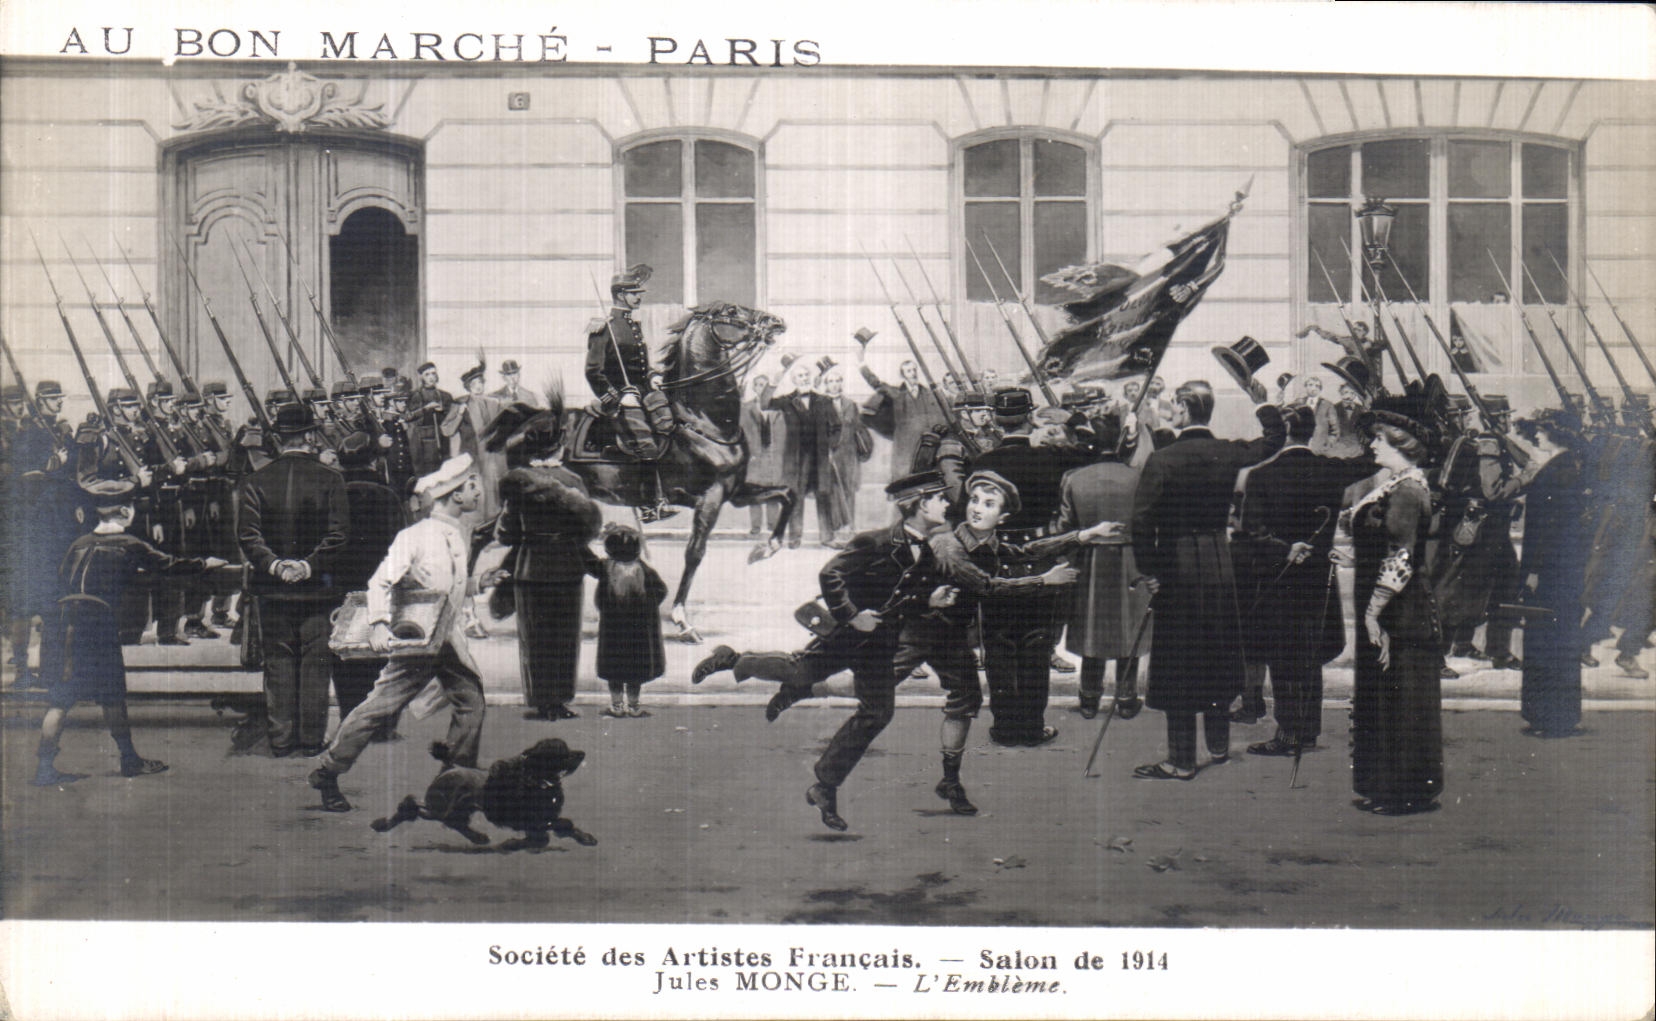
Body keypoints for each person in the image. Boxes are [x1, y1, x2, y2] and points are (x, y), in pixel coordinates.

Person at [690, 471, 958, 831]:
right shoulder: (874, 542)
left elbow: (904, 599)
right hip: (847, 634)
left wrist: (930, 600)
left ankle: (824, 786)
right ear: (921, 504)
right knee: (800, 672)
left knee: (877, 714)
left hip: (880, 645)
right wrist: (852, 615)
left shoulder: (924, 551)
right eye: (941, 498)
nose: (947, 505)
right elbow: (830, 575)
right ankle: (734, 659)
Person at [308, 456, 490, 813]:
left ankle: (455, 779)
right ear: (454, 495)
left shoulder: (456, 532)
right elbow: (380, 581)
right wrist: (378, 622)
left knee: (472, 702)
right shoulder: (414, 536)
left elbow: (442, 588)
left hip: (446, 640)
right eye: (471, 487)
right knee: (378, 710)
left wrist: (478, 583)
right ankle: (327, 772)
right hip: (416, 643)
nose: (478, 492)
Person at [1129, 380, 1286, 780]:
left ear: (1184, 408)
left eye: (1173, 405)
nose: (1170, 410)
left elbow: (1142, 522)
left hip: (1176, 565)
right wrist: (1263, 402)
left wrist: (1149, 571)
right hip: (1219, 561)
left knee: (1179, 657)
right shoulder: (1228, 451)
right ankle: (1217, 746)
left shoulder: (1164, 460)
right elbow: (1273, 440)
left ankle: (1180, 760)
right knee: (1217, 651)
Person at [33, 478, 227, 785]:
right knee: (112, 696)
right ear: (125, 511)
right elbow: (169, 565)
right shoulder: (130, 544)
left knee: (60, 700)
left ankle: (44, 767)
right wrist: (206, 563)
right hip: (96, 623)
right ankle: (129, 760)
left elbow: (61, 580)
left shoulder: (79, 543)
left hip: (62, 622)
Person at [1231, 404, 1376, 755]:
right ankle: (1307, 730)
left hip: (1278, 580)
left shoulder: (1262, 475)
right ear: (1313, 432)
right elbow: (1369, 461)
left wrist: (1284, 549)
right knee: (1309, 655)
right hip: (1318, 580)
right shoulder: (1330, 469)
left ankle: (1289, 733)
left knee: (1283, 656)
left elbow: (1252, 533)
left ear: (1284, 433)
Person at [969, 388, 1094, 746]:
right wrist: (1072, 419)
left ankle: (1005, 726)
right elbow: (1090, 450)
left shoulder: (983, 462)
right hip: (1040, 557)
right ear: (1030, 417)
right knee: (1036, 644)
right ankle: (1031, 725)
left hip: (996, 559)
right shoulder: (1050, 459)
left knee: (999, 644)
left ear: (995, 420)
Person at [1341, 400, 1445, 814]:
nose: (1372, 447)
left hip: (1398, 609)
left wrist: (1371, 612)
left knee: (1400, 696)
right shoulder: (1394, 483)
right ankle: (1384, 786)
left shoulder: (1406, 490)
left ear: (1401, 444)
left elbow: (1400, 557)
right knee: (1384, 695)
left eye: (1379, 441)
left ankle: (1405, 792)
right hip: (1388, 604)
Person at [236, 404, 350, 758]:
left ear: (279, 439)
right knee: (316, 664)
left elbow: (248, 536)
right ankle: (311, 740)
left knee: (278, 662)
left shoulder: (255, 481)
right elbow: (339, 536)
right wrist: (308, 566)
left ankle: (281, 740)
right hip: (317, 590)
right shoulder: (331, 479)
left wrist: (275, 566)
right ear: (311, 437)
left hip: (273, 590)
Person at [489, 401, 602, 722]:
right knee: (565, 637)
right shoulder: (573, 482)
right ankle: (560, 701)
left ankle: (540, 702)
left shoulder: (517, 482)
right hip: (567, 567)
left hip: (529, 568)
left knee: (533, 638)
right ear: (559, 448)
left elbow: (506, 533)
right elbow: (587, 531)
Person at [1057, 411, 1151, 720]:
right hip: (1130, 561)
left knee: (1091, 632)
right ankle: (1126, 698)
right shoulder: (1138, 477)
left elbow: (1065, 529)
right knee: (1128, 629)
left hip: (1090, 562)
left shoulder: (1074, 478)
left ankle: (1088, 698)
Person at [1516, 409, 1591, 737]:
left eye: (1543, 432)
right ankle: (1550, 715)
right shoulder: (1564, 467)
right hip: (1561, 570)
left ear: (1556, 435)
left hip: (1552, 572)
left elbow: (1550, 529)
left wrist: (1534, 570)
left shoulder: (1559, 471)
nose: (1537, 436)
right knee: (1555, 640)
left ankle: (1552, 717)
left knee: (1550, 641)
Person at [329, 431, 409, 728]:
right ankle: (384, 723)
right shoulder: (387, 495)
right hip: (381, 585)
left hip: (340, 585)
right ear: (374, 461)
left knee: (346, 652)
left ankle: (351, 717)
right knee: (382, 653)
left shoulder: (331, 494)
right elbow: (402, 543)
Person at [762, 356, 841, 549]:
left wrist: (830, 448)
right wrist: (775, 379)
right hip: (796, 459)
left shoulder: (824, 400)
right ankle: (795, 538)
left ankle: (827, 538)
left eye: (806, 375)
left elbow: (836, 427)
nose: (804, 378)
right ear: (794, 380)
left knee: (824, 496)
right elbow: (764, 403)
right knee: (795, 496)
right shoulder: (786, 401)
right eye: (800, 376)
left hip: (820, 458)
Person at [590, 524, 667, 718]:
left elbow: (589, 563)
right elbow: (661, 591)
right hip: (638, 631)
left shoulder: (607, 568)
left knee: (614, 670)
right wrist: (648, 608)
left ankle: (617, 706)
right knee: (635, 672)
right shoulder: (644, 570)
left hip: (613, 630)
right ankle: (633, 707)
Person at [858, 341, 946, 481]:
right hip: (904, 442)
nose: (913, 374)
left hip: (926, 441)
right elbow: (875, 383)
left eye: (914, 370)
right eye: (909, 371)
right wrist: (862, 364)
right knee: (903, 477)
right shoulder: (896, 394)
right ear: (903, 374)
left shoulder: (928, 394)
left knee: (927, 476)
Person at [822, 359, 871, 548]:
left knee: (849, 490)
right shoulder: (820, 404)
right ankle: (834, 527)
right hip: (829, 454)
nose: (835, 385)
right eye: (831, 381)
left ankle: (849, 526)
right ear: (826, 385)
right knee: (832, 491)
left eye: (838, 381)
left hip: (849, 455)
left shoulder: (850, 404)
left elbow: (858, 428)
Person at [740, 374, 786, 536]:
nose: (762, 388)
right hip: (755, 456)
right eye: (759, 385)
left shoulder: (778, 408)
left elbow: (782, 433)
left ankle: (772, 525)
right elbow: (743, 432)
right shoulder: (746, 408)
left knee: (772, 491)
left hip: (773, 455)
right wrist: (749, 452)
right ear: (754, 387)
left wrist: (779, 453)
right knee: (755, 493)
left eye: (765, 385)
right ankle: (755, 526)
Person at [409, 362, 454, 477]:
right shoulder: (414, 395)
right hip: (422, 443)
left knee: (444, 472)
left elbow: (451, 419)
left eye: (433, 374)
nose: (431, 377)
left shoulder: (445, 396)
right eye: (427, 374)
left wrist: (442, 411)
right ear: (421, 377)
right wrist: (425, 409)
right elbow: (410, 417)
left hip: (443, 440)